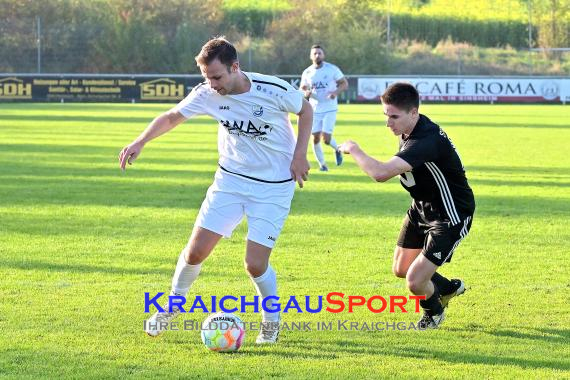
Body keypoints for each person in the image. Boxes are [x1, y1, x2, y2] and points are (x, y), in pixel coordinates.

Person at [118, 37, 312, 343]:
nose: (212, 84)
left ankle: (271, 322)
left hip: (274, 188)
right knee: (195, 252)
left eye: (217, 77)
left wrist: (300, 154)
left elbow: (306, 109)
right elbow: (172, 117)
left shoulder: (272, 89)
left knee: (255, 263)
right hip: (230, 183)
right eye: (207, 77)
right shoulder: (207, 93)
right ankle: (173, 305)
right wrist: (141, 141)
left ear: (235, 67)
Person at [339, 82, 475, 329]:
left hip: (450, 214)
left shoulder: (426, 139)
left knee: (414, 281)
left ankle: (433, 313)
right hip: (421, 207)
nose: (388, 123)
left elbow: (380, 173)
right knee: (401, 268)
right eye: (385, 115)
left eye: (394, 117)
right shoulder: (409, 128)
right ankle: (446, 288)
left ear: (414, 113)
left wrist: (353, 149)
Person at [300, 44, 348, 172]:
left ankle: (337, 149)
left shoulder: (332, 69)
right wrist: (306, 93)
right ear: (311, 56)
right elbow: (303, 88)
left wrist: (335, 93)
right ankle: (323, 165)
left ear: (323, 55)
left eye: (319, 53)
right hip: (315, 109)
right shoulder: (307, 72)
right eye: (314, 53)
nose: (317, 55)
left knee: (326, 139)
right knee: (315, 137)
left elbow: (344, 83)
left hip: (330, 108)